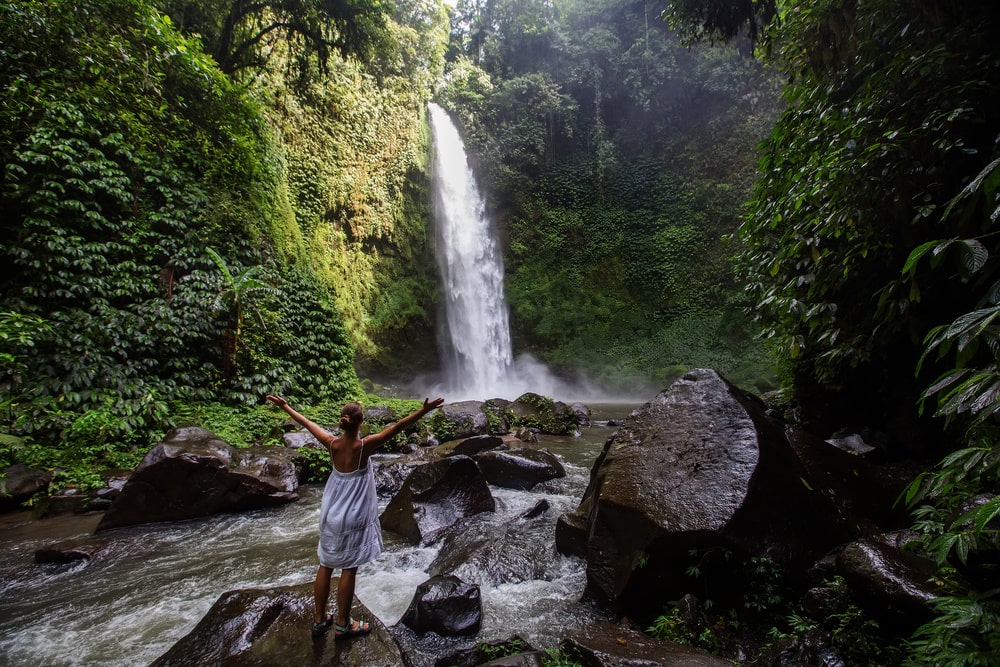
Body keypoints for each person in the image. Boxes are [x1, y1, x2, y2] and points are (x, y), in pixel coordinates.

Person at [266, 393, 445, 639]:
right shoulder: (364, 447)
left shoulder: (331, 443)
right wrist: (424, 411)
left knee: (325, 564)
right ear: (360, 423)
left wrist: (286, 406)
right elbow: (398, 426)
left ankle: (319, 621)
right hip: (352, 516)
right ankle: (342, 623)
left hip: (330, 513)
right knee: (349, 568)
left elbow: (307, 424)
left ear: (344, 421)